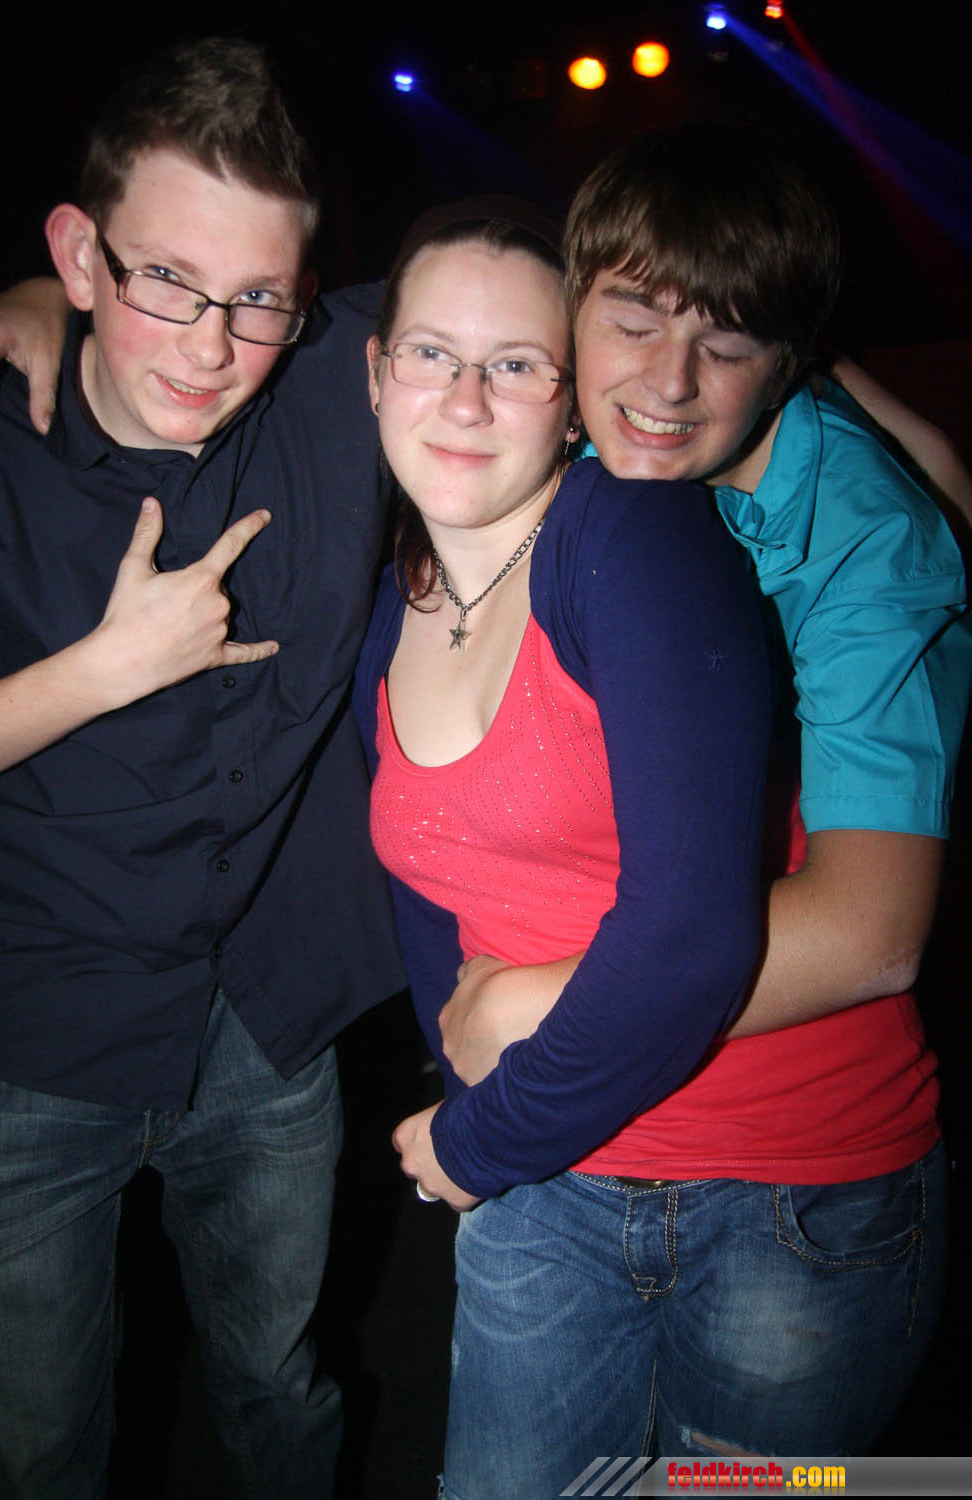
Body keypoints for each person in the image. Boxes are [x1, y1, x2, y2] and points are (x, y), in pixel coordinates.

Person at [382, 147, 967, 1487]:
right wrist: (37, 308)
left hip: (800, 1195)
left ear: (787, 359)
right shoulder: (564, 436)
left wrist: (528, 1002)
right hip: (577, 1165)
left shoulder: (868, 542)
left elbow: (876, 934)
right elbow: (406, 320)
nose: (664, 384)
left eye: (729, 345)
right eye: (632, 321)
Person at [0, 38, 401, 1500]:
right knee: (35, 1451)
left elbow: (635, 306)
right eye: (164, 279)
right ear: (76, 256)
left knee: (280, 1392)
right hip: (27, 1038)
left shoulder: (342, 381)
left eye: (257, 298)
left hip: (268, 1022)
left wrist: (828, 391)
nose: (210, 347)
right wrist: (103, 670)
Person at [354, 198, 775, 1498]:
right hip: (548, 1169)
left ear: (573, 403)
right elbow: (428, 895)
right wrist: (471, 1093)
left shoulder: (632, 539)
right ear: (374, 373)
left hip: (763, 1188)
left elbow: (692, 938)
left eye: (517, 364)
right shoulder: (396, 604)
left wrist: (475, 1142)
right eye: (431, 353)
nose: (464, 400)